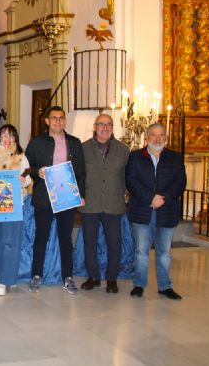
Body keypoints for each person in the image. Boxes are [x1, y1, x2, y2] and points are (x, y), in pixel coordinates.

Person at [25, 106, 85, 294]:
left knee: (65, 238)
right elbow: (26, 168)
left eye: (61, 118)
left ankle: (67, 277)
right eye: (54, 118)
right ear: (47, 121)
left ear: (64, 121)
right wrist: (37, 172)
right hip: (44, 197)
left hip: (66, 196)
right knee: (41, 237)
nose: (58, 121)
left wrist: (81, 195)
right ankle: (36, 275)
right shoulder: (37, 142)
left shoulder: (74, 143)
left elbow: (82, 172)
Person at [126, 123, 186, 300]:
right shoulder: (136, 156)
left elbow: (180, 182)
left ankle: (165, 286)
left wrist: (164, 198)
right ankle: (139, 284)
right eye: (154, 135)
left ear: (165, 138)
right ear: (147, 137)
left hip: (167, 211)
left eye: (161, 135)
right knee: (141, 252)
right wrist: (150, 198)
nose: (157, 139)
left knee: (164, 253)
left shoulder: (174, 157)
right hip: (142, 211)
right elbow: (131, 181)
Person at [79, 114, 129, 294]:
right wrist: (78, 195)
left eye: (109, 124)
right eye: (101, 124)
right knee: (89, 242)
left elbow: (127, 178)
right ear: (95, 126)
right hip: (89, 203)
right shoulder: (83, 148)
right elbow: (78, 175)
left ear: (112, 127)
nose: (105, 128)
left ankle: (111, 278)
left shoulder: (123, 150)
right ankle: (93, 276)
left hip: (113, 203)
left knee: (114, 243)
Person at [0, 124, 31, 296]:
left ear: (15, 139)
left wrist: (21, 180)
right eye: (4, 135)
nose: (7, 139)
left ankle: (6, 279)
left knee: (12, 242)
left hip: (15, 205)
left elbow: (28, 179)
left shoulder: (21, 157)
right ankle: (1, 274)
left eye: (11, 136)